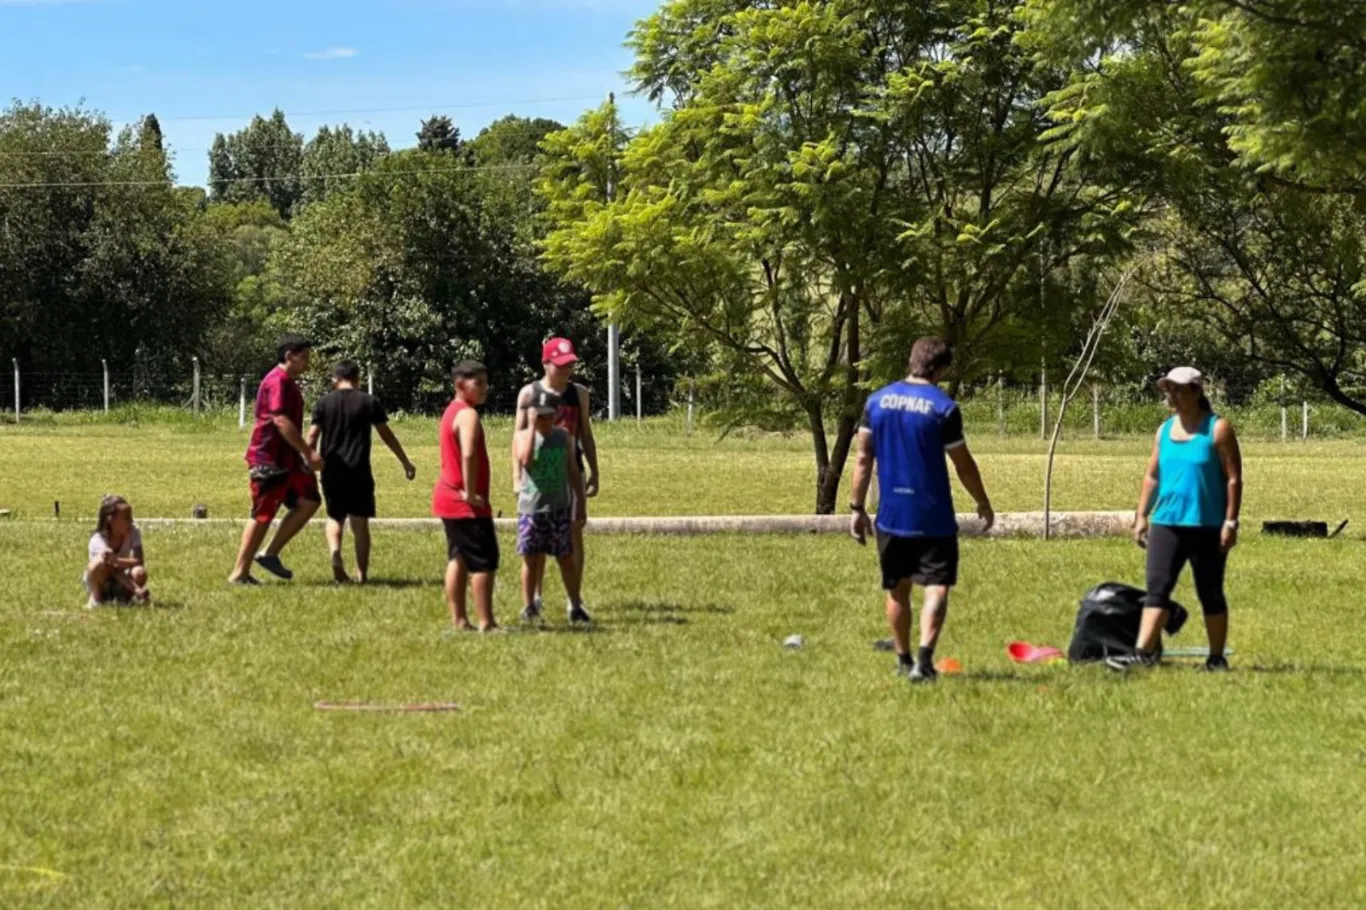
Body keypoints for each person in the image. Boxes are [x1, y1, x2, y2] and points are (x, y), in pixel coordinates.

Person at [848, 337, 996, 685]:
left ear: (911, 361)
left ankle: (902, 658)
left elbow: (862, 459)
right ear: (941, 369)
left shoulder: (876, 401)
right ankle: (924, 661)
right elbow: (964, 466)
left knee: (896, 590)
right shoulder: (943, 408)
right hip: (932, 517)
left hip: (891, 517)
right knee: (937, 587)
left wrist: (856, 507)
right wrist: (983, 502)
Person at [1108, 367, 1243, 673]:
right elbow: (1152, 476)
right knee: (1157, 588)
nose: (1172, 395)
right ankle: (1142, 654)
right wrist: (1141, 515)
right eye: (1169, 389)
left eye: (1179, 389)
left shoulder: (1218, 429)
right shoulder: (1164, 431)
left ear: (1197, 391)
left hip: (1207, 524)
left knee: (1210, 591)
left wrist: (1230, 522)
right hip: (1166, 522)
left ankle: (1216, 658)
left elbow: (1234, 480)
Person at [306, 360, 417, 585]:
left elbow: (311, 436)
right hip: (359, 470)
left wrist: (307, 461)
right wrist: (405, 461)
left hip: (332, 469)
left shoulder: (324, 402)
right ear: (357, 379)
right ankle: (362, 575)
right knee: (360, 523)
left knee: (334, 517)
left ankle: (335, 554)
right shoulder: (368, 402)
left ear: (334, 380)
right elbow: (386, 434)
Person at [513, 337, 599, 623]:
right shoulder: (529, 394)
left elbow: (585, 433)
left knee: (572, 534)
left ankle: (574, 600)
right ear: (545, 363)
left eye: (570, 365)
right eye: (560, 365)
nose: (566, 370)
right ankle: (534, 597)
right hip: (538, 476)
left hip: (571, 469)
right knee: (535, 541)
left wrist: (594, 471)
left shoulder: (580, 394)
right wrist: (516, 478)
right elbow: (518, 434)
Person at [229, 334, 324, 586]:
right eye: (303, 357)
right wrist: (308, 452)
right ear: (288, 355)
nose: (306, 363)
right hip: (269, 460)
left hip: (289, 461)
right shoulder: (277, 381)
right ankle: (239, 573)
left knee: (309, 500)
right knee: (263, 514)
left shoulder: (289, 382)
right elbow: (280, 420)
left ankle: (270, 554)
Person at [433, 361, 500, 633]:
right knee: (484, 561)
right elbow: (469, 453)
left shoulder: (451, 411)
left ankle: (459, 620)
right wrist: (471, 493)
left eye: (486, 382)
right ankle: (487, 622)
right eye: (479, 383)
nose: (485, 388)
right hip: (464, 503)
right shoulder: (468, 415)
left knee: (458, 557)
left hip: (447, 497)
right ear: (461, 385)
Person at [84, 494, 149, 607]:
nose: (131, 521)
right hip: (104, 578)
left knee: (139, 572)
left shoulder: (133, 532)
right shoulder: (98, 540)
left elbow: (138, 561)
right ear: (111, 520)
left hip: (121, 577)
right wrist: (136, 589)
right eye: (126, 518)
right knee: (97, 564)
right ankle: (96, 599)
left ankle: (123, 600)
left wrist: (116, 560)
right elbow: (112, 569)